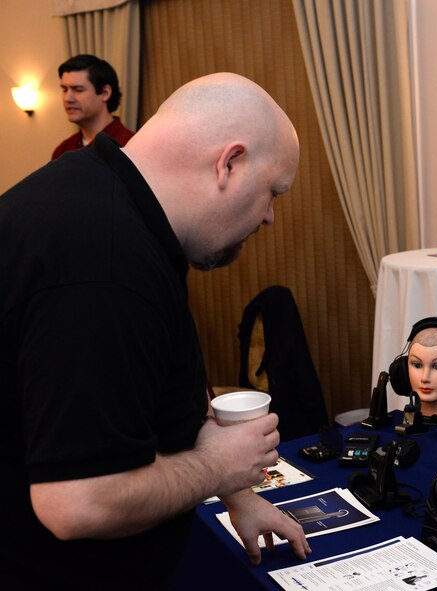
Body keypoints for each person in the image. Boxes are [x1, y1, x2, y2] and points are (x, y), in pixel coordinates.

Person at [0, 73, 311, 590]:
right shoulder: (103, 262)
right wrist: (217, 468)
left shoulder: (107, 195)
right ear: (230, 163)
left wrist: (238, 493)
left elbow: (143, 389)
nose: (269, 217)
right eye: (272, 192)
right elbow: (77, 502)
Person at [51, 54, 135, 160]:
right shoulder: (63, 150)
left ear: (105, 93)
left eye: (78, 89)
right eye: (64, 89)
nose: (68, 98)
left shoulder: (129, 146)